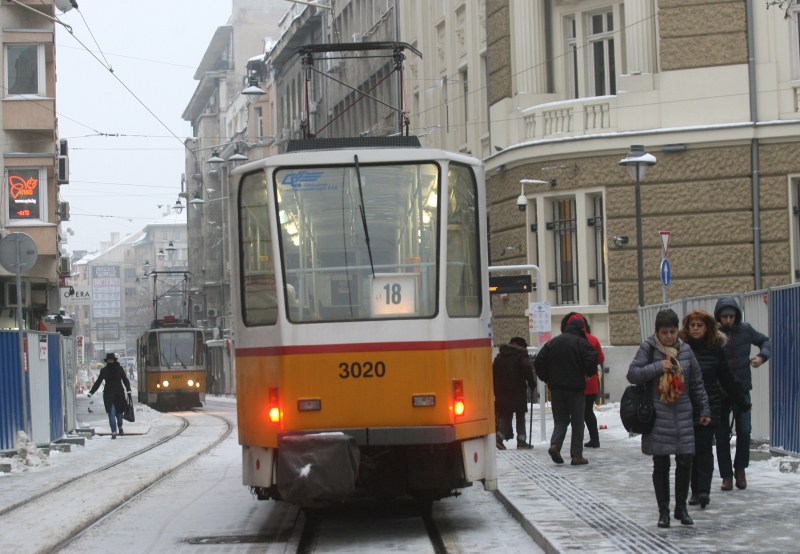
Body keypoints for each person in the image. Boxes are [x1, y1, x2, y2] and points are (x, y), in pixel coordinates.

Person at [628, 309, 711, 528]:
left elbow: (696, 383)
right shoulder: (649, 348)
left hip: (683, 415)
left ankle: (681, 509)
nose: (668, 337)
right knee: (661, 463)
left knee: (685, 462)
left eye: (672, 332)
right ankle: (663, 511)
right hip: (658, 416)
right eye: (664, 332)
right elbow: (633, 374)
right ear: (657, 332)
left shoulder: (686, 351)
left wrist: (704, 409)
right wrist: (658, 367)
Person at [679, 310, 751, 510]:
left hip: (710, 404)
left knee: (703, 447)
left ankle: (703, 491)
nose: (695, 329)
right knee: (689, 450)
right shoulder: (681, 348)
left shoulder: (715, 349)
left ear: (707, 327)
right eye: (692, 325)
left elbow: (726, 377)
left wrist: (741, 401)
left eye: (699, 325)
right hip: (686, 405)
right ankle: (693, 490)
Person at [713, 296, 771, 491]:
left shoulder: (745, 330)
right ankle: (726, 475)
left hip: (742, 388)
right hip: (721, 391)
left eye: (731, 316)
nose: (728, 320)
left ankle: (740, 470)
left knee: (745, 431)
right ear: (719, 317)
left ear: (736, 316)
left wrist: (762, 357)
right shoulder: (713, 333)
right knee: (721, 435)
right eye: (724, 317)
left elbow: (765, 341)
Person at [534, 317, 597, 465]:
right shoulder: (581, 343)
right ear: (582, 329)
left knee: (561, 420)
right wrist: (588, 373)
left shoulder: (553, 342)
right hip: (575, 389)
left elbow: (538, 360)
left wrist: (547, 378)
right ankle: (576, 455)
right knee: (577, 421)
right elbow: (592, 358)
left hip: (556, 388)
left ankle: (555, 445)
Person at [561, 313, 605, 449]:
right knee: (587, 412)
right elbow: (600, 359)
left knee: (575, 414)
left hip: (572, 382)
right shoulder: (593, 340)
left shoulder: (565, 340)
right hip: (590, 382)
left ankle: (577, 443)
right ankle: (594, 438)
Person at [492, 337, 537, 450]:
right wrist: (532, 383)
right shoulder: (521, 355)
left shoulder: (500, 356)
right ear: (520, 346)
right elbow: (527, 368)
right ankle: (521, 441)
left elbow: (493, 371)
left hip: (501, 391)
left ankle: (499, 438)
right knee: (520, 415)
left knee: (506, 414)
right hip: (517, 390)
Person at [87, 353, 132, 439]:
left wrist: (128, 389)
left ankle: (120, 427)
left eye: (111, 360)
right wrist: (91, 392)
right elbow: (98, 382)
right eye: (108, 360)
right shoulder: (104, 370)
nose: (110, 361)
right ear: (107, 361)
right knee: (111, 413)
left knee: (119, 415)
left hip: (119, 395)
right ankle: (114, 432)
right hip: (108, 395)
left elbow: (125, 380)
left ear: (114, 360)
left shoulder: (119, 369)